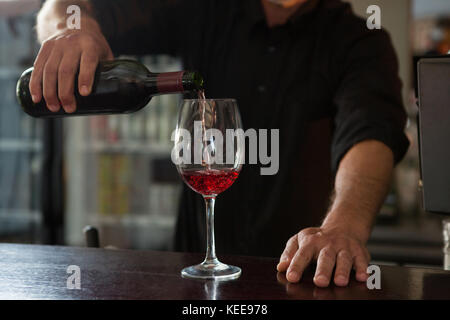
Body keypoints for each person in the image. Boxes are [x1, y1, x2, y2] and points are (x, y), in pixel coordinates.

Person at [31, 0, 410, 287]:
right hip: (195, 283)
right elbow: (62, 6)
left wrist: (344, 227)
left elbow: (371, 132)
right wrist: (70, 29)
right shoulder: (204, 9)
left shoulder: (361, 41)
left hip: (299, 279)